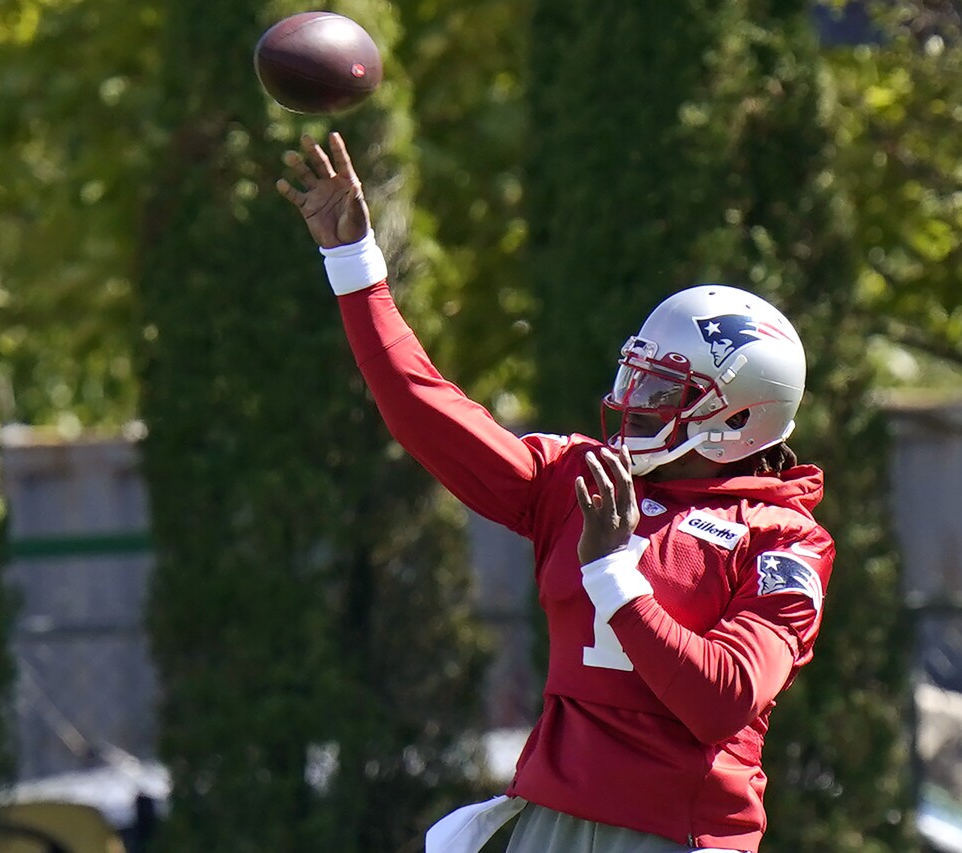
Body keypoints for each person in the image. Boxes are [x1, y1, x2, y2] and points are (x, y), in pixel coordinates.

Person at [277, 133, 835, 853]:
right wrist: (354, 264)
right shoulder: (584, 477)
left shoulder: (782, 539)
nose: (635, 399)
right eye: (638, 374)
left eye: (667, 389)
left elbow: (721, 696)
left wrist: (613, 574)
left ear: (737, 416)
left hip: (678, 835)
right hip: (548, 820)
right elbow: (425, 410)